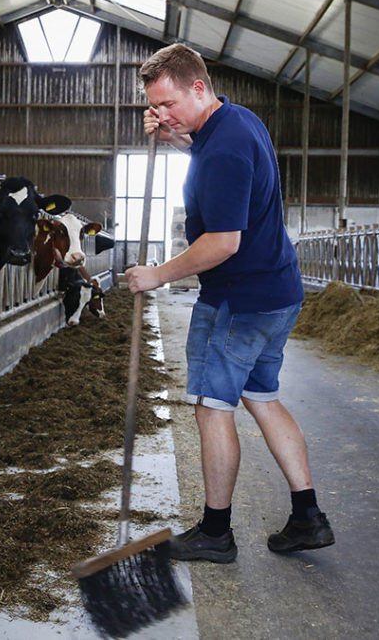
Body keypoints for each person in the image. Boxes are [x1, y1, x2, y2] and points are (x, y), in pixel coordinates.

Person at [125, 43, 334, 563]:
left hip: (240, 300)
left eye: (168, 104)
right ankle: (308, 516)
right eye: (155, 107)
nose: (160, 115)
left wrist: (157, 275)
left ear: (198, 86)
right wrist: (178, 139)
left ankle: (215, 533)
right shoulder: (236, 121)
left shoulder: (221, 149)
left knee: (212, 407)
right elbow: (218, 163)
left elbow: (223, 243)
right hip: (279, 292)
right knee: (262, 395)